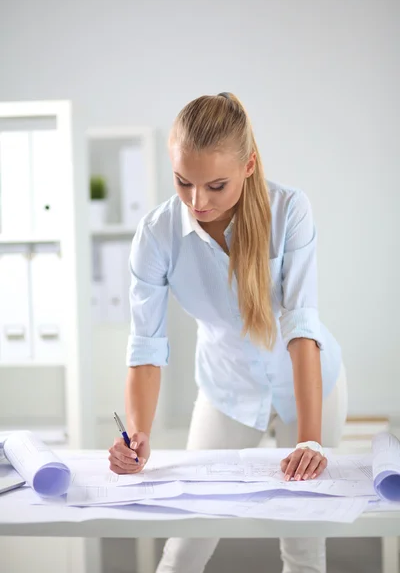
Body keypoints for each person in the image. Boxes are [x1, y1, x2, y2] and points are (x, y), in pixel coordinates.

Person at [108, 92, 348, 573]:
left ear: (249, 166)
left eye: (216, 186)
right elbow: (147, 347)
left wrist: (310, 440)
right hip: (224, 388)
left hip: (309, 382)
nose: (198, 202)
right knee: (187, 542)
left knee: (303, 542)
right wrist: (137, 436)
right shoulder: (157, 235)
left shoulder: (289, 211)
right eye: (183, 183)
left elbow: (301, 325)